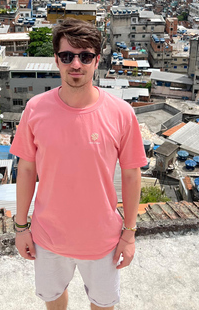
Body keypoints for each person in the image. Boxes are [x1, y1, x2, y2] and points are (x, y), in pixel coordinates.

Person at [10, 18, 147, 310]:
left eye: (85, 56)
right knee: (53, 299)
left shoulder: (121, 113)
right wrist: (21, 226)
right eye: (67, 56)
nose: (76, 64)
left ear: (97, 60)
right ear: (56, 60)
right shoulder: (35, 109)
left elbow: (132, 174)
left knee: (103, 303)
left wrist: (130, 234)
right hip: (47, 236)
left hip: (103, 239)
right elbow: (26, 169)